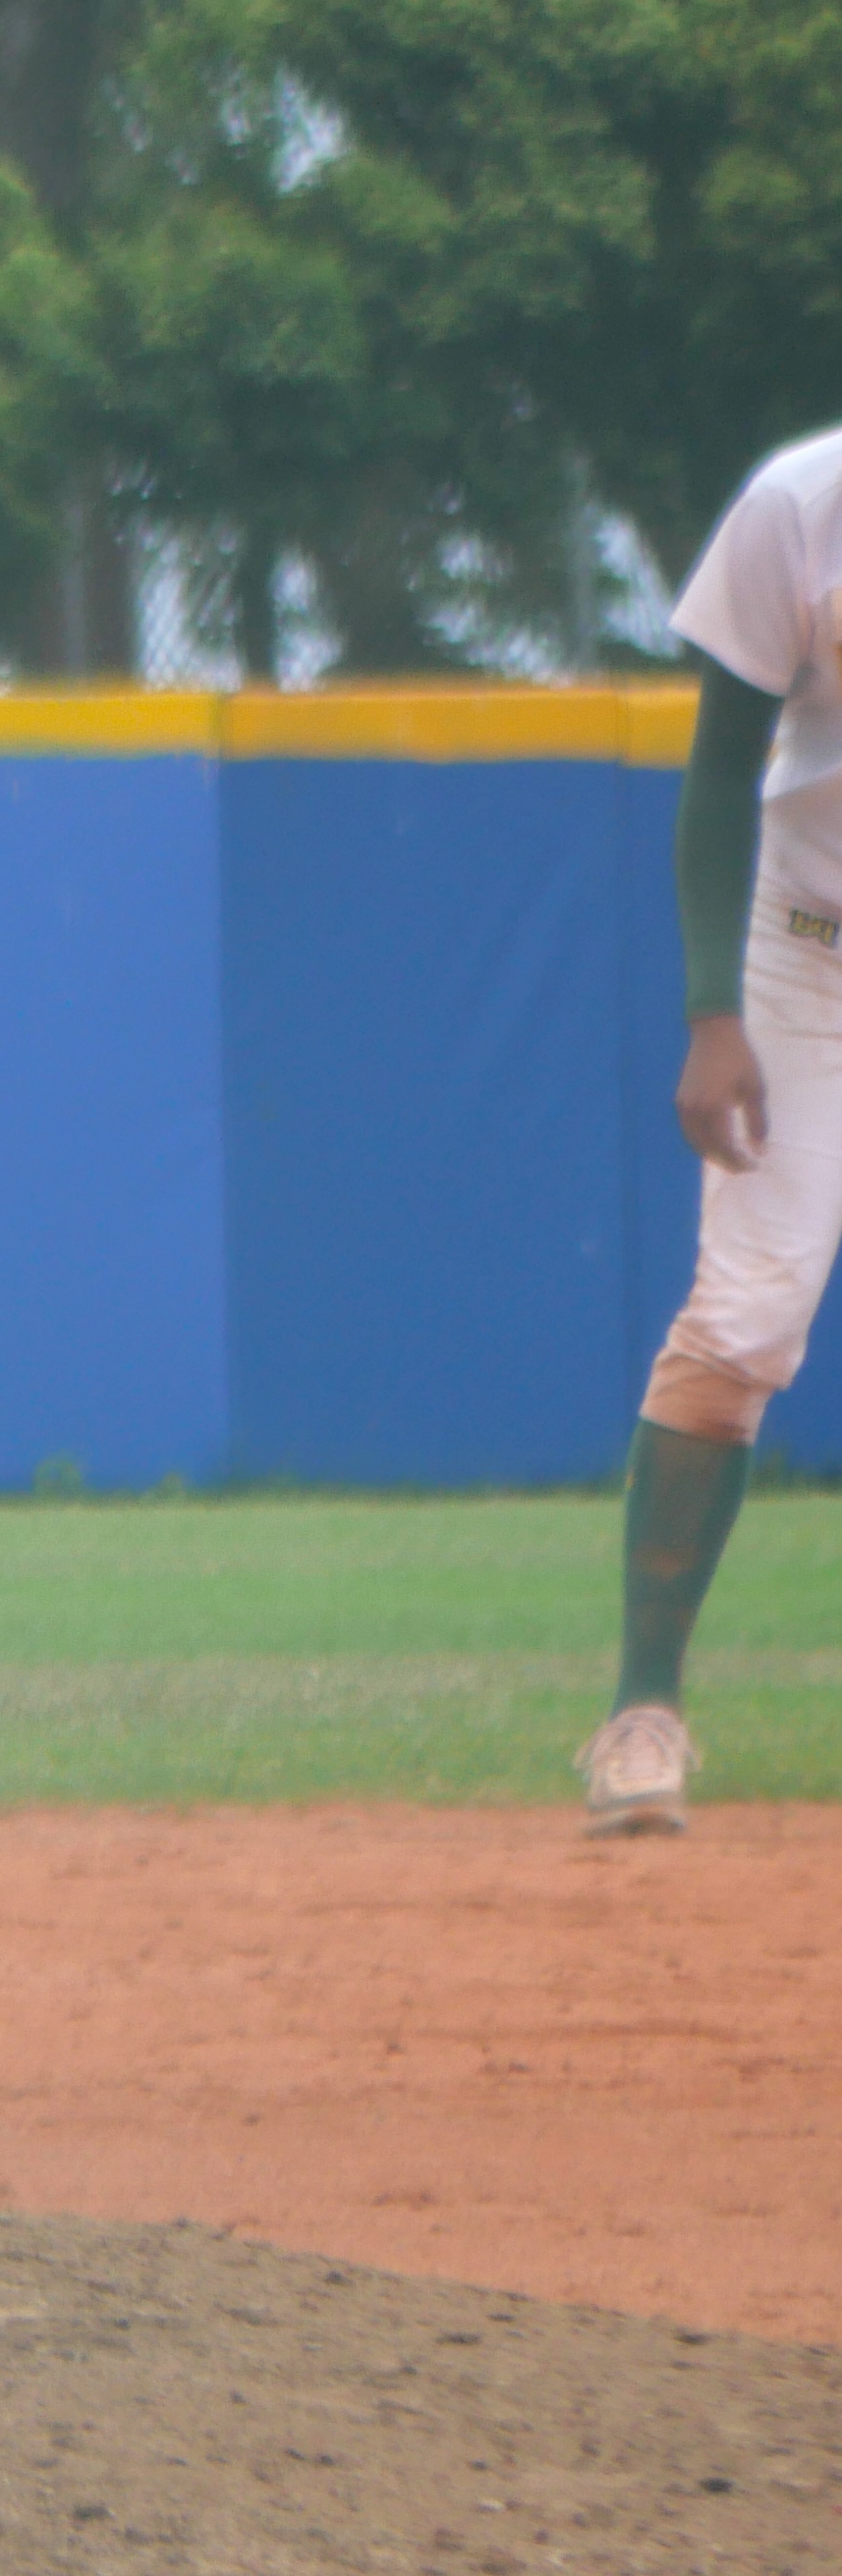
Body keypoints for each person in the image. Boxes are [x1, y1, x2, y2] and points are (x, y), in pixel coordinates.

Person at [591, 421, 842, 1836]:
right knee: (744, 1322)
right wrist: (710, 1012)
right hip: (809, 956)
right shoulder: (802, 506)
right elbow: (719, 766)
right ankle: (644, 1712)